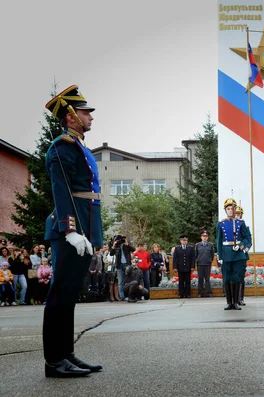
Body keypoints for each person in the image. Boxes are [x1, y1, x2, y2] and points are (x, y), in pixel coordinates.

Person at [42, 85, 103, 377]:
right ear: (70, 116)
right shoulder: (61, 147)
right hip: (70, 230)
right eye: (84, 112)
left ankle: (66, 354)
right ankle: (54, 360)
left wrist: (89, 233)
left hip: (82, 228)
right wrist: (70, 230)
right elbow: (62, 189)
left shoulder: (78, 147)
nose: (90, 117)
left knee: (69, 294)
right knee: (59, 295)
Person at [216, 198, 251, 310]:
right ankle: (229, 302)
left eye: (232, 208)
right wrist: (220, 256)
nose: (231, 210)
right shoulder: (221, 224)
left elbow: (247, 238)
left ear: (235, 210)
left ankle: (236, 302)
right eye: (228, 209)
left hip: (238, 254)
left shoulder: (240, 223)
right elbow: (219, 241)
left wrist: (241, 245)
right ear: (225, 210)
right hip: (226, 253)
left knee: (236, 278)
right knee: (227, 278)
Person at [109, 235, 136, 300]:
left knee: (129, 281)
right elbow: (111, 254)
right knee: (120, 282)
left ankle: (129, 295)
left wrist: (127, 244)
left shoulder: (126, 246)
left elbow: (133, 250)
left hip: (127, 264)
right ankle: (122, 296)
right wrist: (114, 245)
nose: (121, 241)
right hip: (119, 265)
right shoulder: (116, 246)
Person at [234, 206, 251, 305]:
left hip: (241, 254)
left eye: (239, 214)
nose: (237, 216)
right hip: (232, 254)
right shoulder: (230, 226)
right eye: (236, 214)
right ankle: (233, 299)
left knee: (240, 276)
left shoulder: (244, 226)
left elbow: (248, 240)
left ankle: (240, 298)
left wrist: (245, 248)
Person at [194, 231, 214, 298]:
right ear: (201, 237)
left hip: (207, 264)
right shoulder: (197, 245)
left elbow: (212, 255)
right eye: (203, 236)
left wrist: (210, 260)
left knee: (207, 279)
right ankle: (200, 293)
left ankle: (209, 292)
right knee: (200, 279)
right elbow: (196, 255)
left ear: (207, 237)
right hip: (200, 264)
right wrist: (197, 260)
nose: (204, 238)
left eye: (206, 236)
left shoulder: (210, 245)